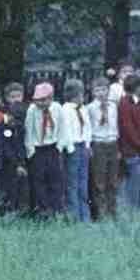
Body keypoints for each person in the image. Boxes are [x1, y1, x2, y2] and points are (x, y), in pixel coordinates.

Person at [24, 82, 67, 216]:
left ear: (51, 98)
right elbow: (29, 130)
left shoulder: (57, 108)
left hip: (53, 147)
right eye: (37, 100)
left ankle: (56, 210)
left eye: (43, 100)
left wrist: (59, 147)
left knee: (55, 179)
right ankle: (43, 210)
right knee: (39, 181)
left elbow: (62, 128)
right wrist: (31, 151)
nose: (40, 103)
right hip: (38, 149)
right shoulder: (32, 110)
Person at [86, 75, 120, 219]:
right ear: (93, 92)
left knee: (113, 180)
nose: (101, 93)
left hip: (112, 143)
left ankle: (112, 211)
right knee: (99, 180)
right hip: (98, 144)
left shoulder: (113, 106)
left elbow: (117, 125)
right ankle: (100, 213)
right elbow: (88, 128)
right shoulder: (90, 108)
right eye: (97, 90)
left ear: (108, 91)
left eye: (104, 89)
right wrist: (89, 146)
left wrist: (118, 146)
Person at [60, 80, 91, 223]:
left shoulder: (83, 109)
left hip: (83, 146)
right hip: (72, 148)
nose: (82, 96)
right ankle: (74, 216)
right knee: (72, 183)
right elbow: (66, 130)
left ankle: (85, 216)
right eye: (80, 94)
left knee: (83, 182)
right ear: (74, 95)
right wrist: (71, 148)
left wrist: (87, 144)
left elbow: (87, 127)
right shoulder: (65, 109)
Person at [0, 83, 30, 214]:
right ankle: (11, 211)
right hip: (11, 157)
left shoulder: (28, 112)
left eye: (18, 96)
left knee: (25, 187)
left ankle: (24, 212)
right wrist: (16, 161)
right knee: (11, 187)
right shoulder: (6, 117)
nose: (16, 99)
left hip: (26, 153)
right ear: (7, 98)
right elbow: (6, 140)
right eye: (12, 97)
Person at [117, 72, 140, 209]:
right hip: (132, 151)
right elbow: (128, 129)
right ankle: (134, 211)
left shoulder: (136, 102)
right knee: (134, 183)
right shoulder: (125, 103)